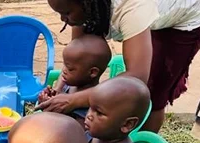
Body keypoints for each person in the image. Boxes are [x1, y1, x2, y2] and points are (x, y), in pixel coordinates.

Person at [39, 0, 200, 134]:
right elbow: (77, 60)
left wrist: (72, 100)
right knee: (85, 62)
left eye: (66, 13)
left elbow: (137, 77)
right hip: (145, 9)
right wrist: (59, 91)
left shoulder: (131, 6)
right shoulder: (86, 6)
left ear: (86, 4)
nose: (63, 19)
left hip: (183, 16)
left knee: (152, 92)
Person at [38, 34, 111, 127]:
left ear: (92, 72)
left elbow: (74, 132)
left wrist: (53, 112)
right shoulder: (70, 84)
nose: (64, 71)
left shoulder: (91, 106)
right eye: (64, 64)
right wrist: (47, 101)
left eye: (70, 69)